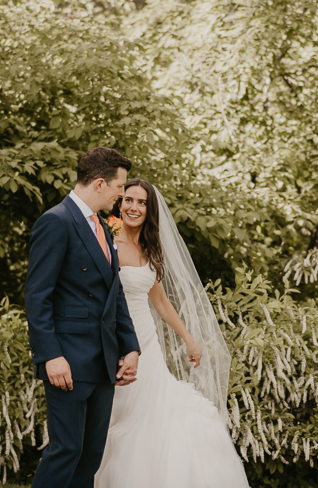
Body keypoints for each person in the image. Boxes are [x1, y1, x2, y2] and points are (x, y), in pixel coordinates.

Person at [94, 178, 250, 488]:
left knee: (150, 410)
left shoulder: (150, 248)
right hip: (114, 338)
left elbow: (160, 300)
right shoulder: (106, 242)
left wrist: (189, 338)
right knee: (116, 413)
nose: (133, 207)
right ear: (119, 203)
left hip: (147, 341)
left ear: (149, 210)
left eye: (141, 203)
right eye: (128, 200)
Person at [24, 147, 141, 488]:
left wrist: (130, 347)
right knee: (66, 450)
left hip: (103, 361)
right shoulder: (56, 221)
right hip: (68, 360)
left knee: (90, 455)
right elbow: (37, 295)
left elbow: (114, 294)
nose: (122, 196)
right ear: (101, 183)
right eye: (120, 187)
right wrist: (50, 355)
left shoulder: (102, 228)